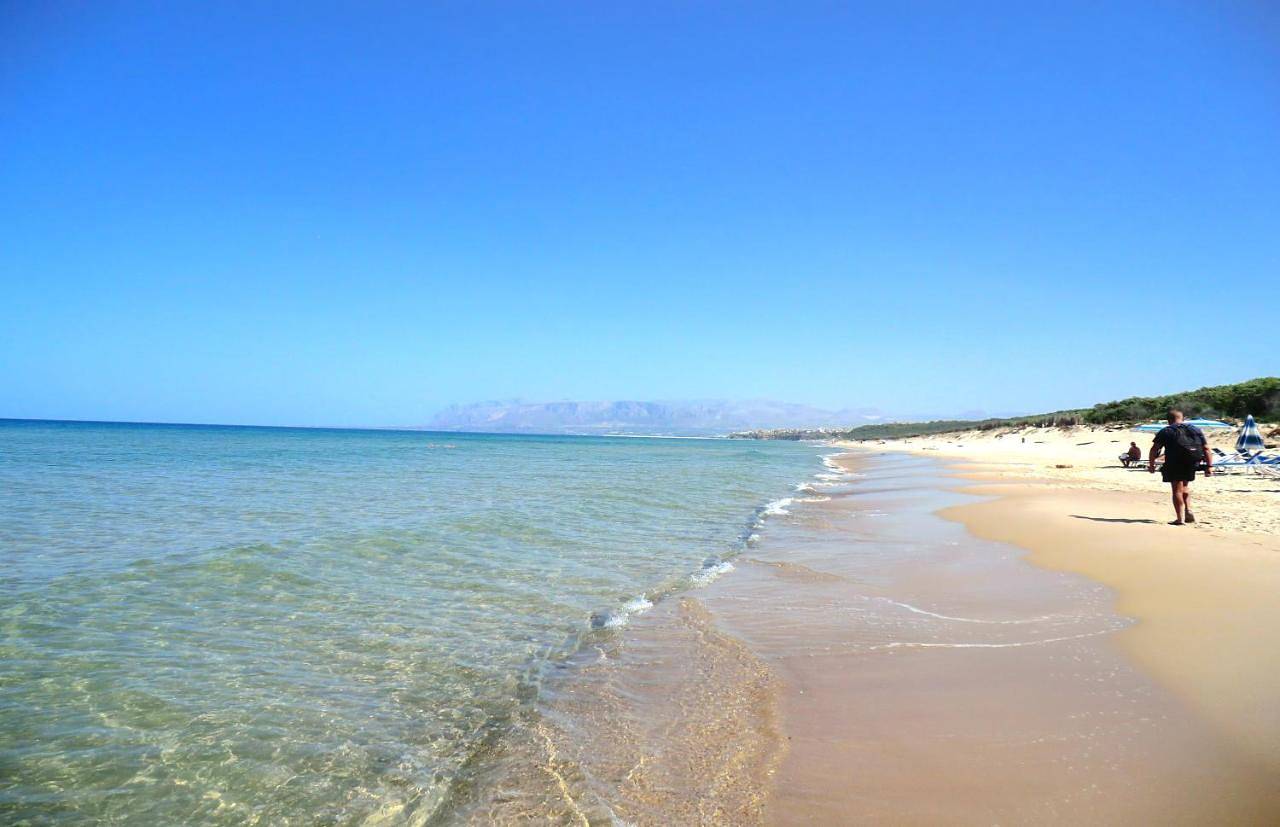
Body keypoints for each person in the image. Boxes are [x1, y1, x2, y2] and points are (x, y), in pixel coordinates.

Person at [1148, 409, 1212, 525]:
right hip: (1192, 461)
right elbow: (1206, 448)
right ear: (1183, 418)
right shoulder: (1195, 429)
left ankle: (1180, 518)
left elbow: (1154, 449)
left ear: (1168, 420)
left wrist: (1151, 464)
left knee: (1177, 490)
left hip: (1174, 462)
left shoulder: (1166, 431)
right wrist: (1209, 466)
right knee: (1185, 487)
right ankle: (1188, 511)